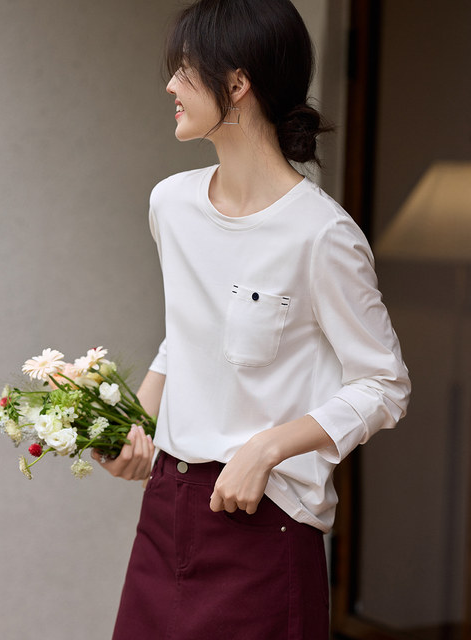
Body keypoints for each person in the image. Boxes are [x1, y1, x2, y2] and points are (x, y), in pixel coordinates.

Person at [92, 0, 411, 638]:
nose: (170, 85)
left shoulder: (322, 234)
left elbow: (384, 384)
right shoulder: (171, 205)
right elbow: (188, 335)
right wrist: (135, 427)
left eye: (184, 69)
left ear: (236, 83)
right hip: (167, 511)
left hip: (266, 524)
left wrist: (267, 448)